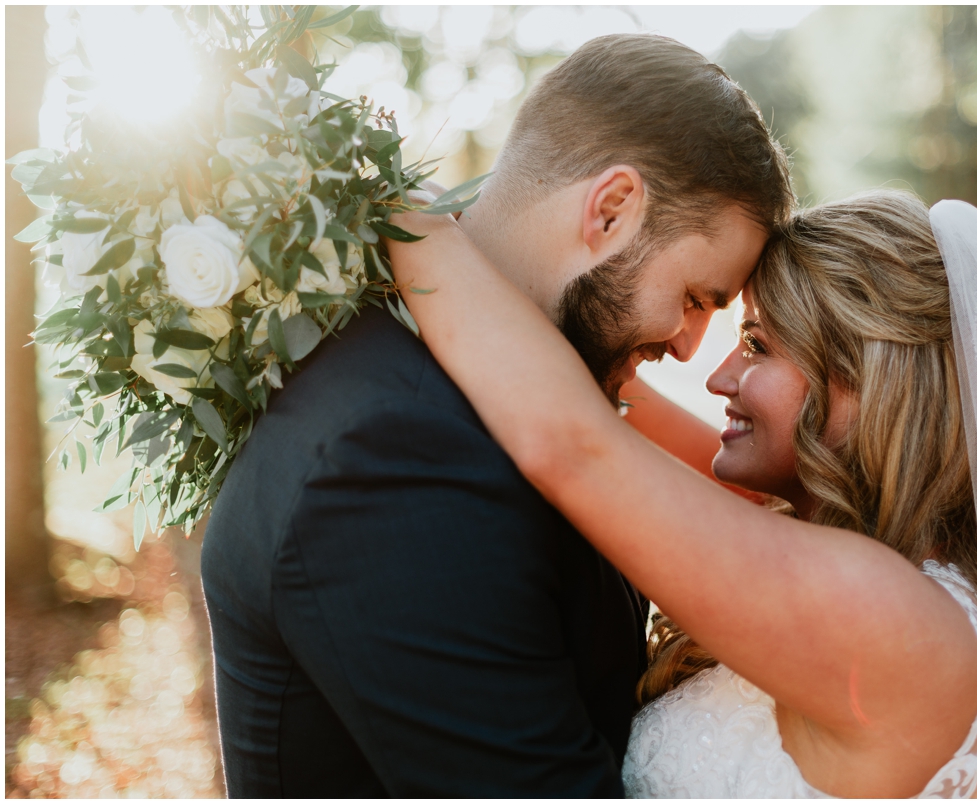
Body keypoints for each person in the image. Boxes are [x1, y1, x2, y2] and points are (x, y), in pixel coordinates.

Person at [199, 33, 792, 797]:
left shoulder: (470, 395)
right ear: (610, 210)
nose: (688, 347)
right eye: (693, 300)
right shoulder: (390, 452)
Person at [385, 190, 977, 797]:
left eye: (760, 345)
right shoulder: (807, 539)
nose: (717, 377)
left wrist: (385, 200)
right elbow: (601, 387)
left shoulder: (895, 622)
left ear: (867, 384)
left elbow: (572, 444)